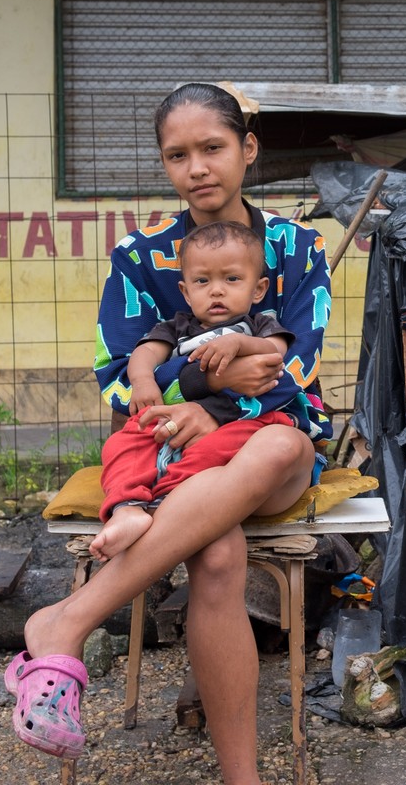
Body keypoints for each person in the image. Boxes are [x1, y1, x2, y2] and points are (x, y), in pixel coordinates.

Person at [6, 82, 331, 784]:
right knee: (216, 554)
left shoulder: (297, 247)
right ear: (165, 165)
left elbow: (297, 366)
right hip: (172, 452)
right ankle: (243, 778)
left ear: (247, 148)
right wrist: (199, 391)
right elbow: (116, 374)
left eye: (213, 148)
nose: (198, 168)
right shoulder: (139, 256)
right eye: (177, 155)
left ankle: (67, 622)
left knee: (279, 441)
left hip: (273, 446)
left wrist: (208, 393)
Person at [91, 220, 298, 563]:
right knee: (121, 443)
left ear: (258, 289)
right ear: (186, 291)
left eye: (232, 279)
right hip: (172, 426)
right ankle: (127, 507)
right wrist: (143, 382)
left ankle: (168, 500)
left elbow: (275, 354)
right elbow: (143, 354)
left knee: (226, 446)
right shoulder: (176, 328)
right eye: (202, 281)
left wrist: (239, 342)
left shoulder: (261, 324)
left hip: (236, 423)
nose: (216, 291)